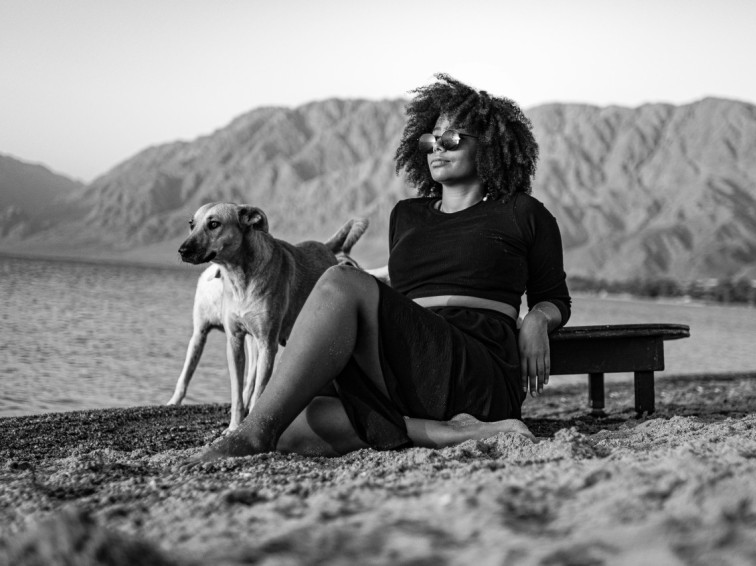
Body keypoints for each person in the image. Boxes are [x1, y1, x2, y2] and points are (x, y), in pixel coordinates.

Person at [191, 74, 571, 461]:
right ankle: (435, 432)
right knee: (290, 417)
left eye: (453, 138)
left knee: (340, 279)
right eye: (431, 139)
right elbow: (396, 309)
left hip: (477, 370)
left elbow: (554, 297)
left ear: (488, 145)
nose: (437, 146)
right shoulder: (406, 215)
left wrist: (538, 318)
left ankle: (250, 436)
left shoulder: (522, 213)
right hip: (406, 366)